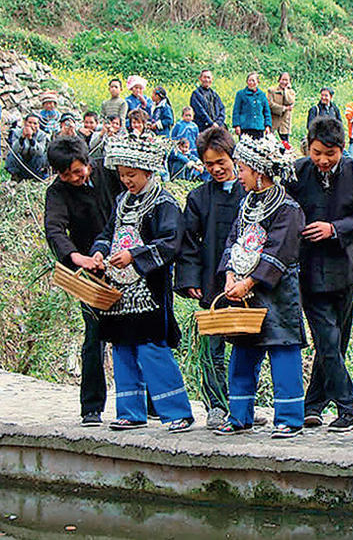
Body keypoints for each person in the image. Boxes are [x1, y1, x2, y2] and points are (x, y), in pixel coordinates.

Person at [89, 133, 194, 433]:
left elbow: (170, 243)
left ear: (148, 172)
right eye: (122, 175)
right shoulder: (122, 201)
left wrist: (134, 255)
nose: (126, 181)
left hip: (149, 291)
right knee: (122, 347)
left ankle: (177, 413)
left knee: (152, 349)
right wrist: (99, 252)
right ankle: (130, 412)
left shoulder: (164, 203)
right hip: (119, 291)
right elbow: (107, 234)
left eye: (131, 175)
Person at [213, 134, 306, 439]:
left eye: (241, 169)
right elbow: (233, 241)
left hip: (277, 294)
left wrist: (250, 281)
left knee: (282, 350)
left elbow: (279, 251)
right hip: (242, 291)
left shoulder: (288, 209)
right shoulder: (246, 204)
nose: (237, 175)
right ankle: (239, 416)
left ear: (259, 171)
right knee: (242, 351)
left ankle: (289, 418)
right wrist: (229, 274)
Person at [288, 117, 353, 432]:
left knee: (337, 342)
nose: (323, 160)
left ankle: (312, 405)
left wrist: (334, 228)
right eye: (317, 152)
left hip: (345, 267)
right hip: (309, 268)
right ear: (308, 147)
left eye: (331, 153)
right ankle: (349, 409)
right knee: (326, 339)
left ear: (342, 149)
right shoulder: (296, 172)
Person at [44, 136, 123, 427]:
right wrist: (80, 259)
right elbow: (54, 230)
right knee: (94, 337)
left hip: (127, 260)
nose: (75, 178)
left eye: (79, 171)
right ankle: (91, 407)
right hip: (91, 272)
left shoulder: (109, 172)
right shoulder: (58, 192)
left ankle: (150, 403)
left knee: (141, 335)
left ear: (88, 163)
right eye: (67, 175)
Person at [175, 126, 246, 428]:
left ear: (233, 157)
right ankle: (216, 405)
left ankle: (242, 405)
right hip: (213, 284)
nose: (216, 169)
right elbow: (188, 241)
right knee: (213, 348)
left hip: (246, 284)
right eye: (209, 164)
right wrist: (190, 279)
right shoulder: (199, 198)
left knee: (245, 348)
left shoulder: (250, 192)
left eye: (222, 161)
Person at [5, 114, 48, 180]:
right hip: (20, 161)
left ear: (38, 125)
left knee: (41, 156)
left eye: (35, 123)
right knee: (12, 155)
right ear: (25, 123)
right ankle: (15, 175)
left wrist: (31, 139)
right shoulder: (17, 132)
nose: (32, 125)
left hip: (33, 163)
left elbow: (40, 151)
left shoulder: (42, 135)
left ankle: (36, 176)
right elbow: (14, 149)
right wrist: (22, 138)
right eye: (30, 123)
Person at [232, 72, 272, 139]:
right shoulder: (241, 94)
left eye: (253, 80)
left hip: (259, 128)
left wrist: (267, 125)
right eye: (249, 80)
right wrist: (237, 125)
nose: (251, 82)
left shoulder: (262, 95)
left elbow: (266, 112)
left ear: (257, 82)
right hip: (245, 127)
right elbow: (236, 111)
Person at [267, 72, 295, 143]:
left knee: (285, 144)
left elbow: (290, 102)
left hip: (284, 122)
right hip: (273, 121)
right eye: (283, 79)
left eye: (286, 80)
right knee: (270, 143)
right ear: (279, 80)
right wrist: (284, 108)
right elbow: (270, 105)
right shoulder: (272, 91)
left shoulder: (291, 92)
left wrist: (286, 91)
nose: (284, 82)